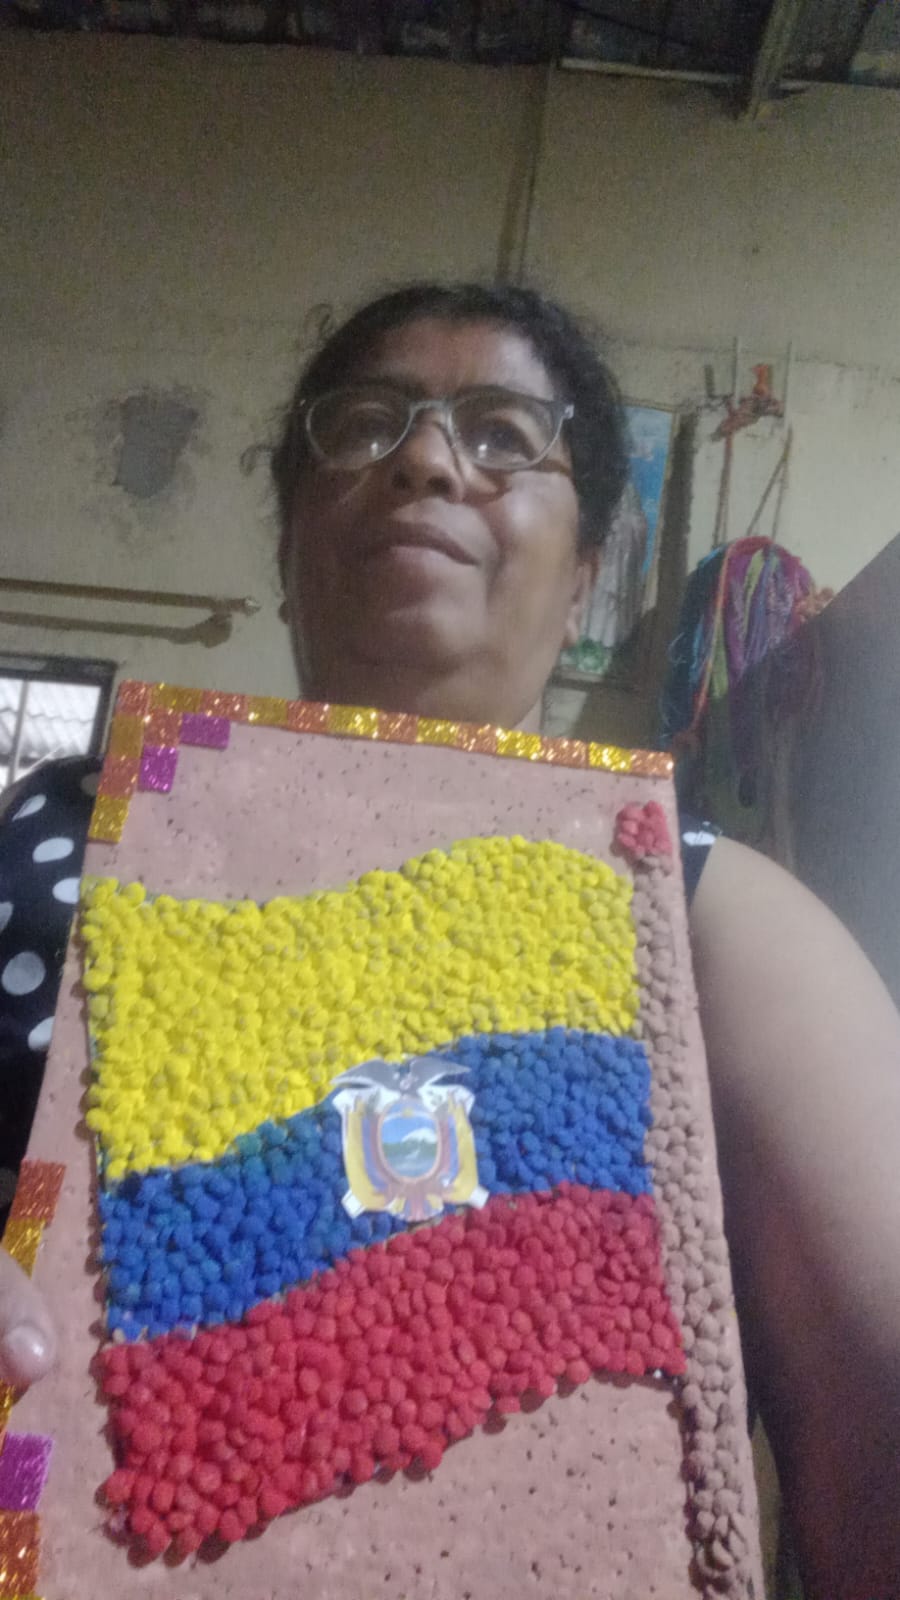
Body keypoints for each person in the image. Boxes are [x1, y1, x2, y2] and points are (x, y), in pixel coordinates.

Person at [1, 282, 898, 1599]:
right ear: (291, 540)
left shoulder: (711, 911)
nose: (425, 458)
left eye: (502, 436)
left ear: (584, 574)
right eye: (365, 424)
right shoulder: (62, 837)